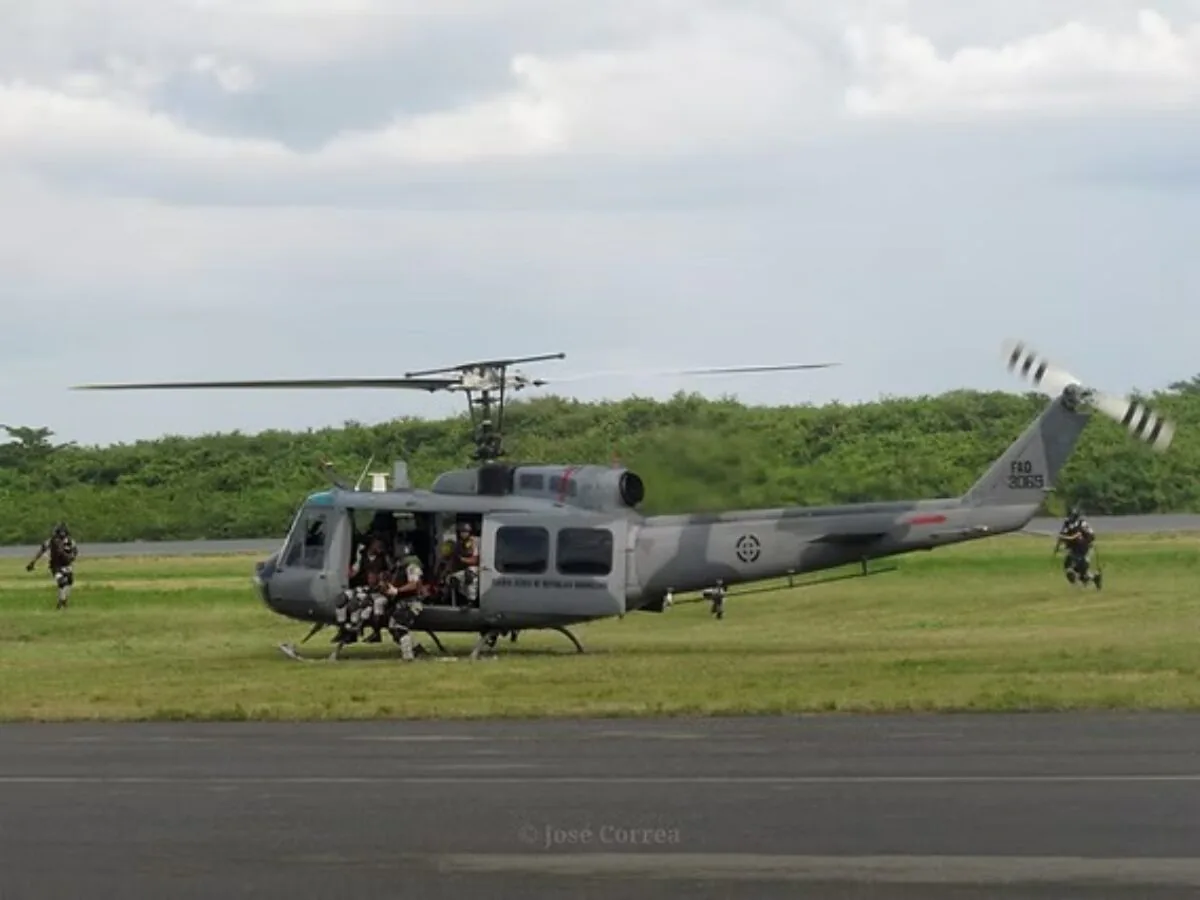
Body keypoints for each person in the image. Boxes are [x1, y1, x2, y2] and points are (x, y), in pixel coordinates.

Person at [26, 522, 78, 609]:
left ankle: (63, 600)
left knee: (69, 581)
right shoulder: (51, 541)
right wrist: (33, 562)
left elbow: (75, 552)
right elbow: (41, 551)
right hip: (56, 566)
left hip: (67, 565)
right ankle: (62, 601)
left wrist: (70, 557)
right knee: (62, 582)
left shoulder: (70, 542)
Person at [1056, 507, 1101, 589]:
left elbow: (1074, 537)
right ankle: (1082, 580)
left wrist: (1062, 537)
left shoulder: (1081, 524)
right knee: (1069, 568)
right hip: (1074, 549)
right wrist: (1061, 541)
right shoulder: (1067, 524)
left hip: (1084, 549)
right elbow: (1064, 535)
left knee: (1082, 572)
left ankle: (1094, 578)